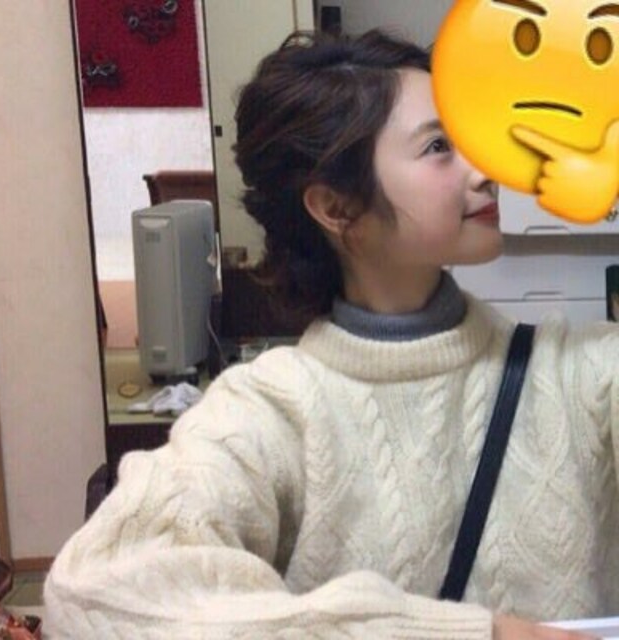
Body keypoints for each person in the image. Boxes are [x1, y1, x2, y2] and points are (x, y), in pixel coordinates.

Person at [43, 29, 618, 639]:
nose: (486, 170)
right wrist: (476, 634)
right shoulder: (268, 411)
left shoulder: (581, 373)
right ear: (337, 208)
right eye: (439, 147)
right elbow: (91, 600)